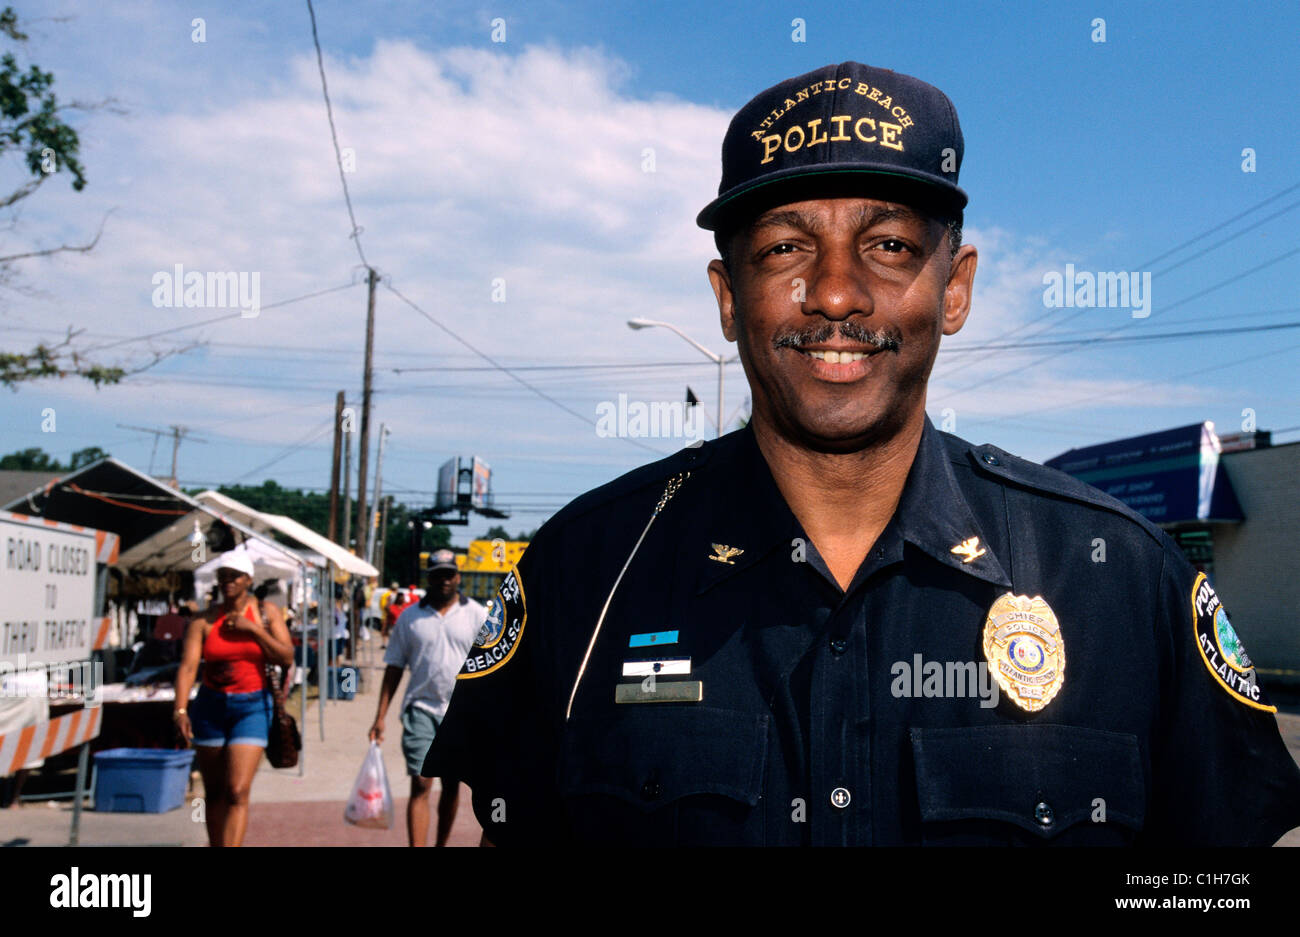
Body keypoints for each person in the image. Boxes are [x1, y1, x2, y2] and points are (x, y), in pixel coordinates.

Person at [423, 61, 1300, 846]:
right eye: (784, 248)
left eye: (888, 247)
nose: (836, 293)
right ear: (729, 300)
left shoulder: (1120, 582)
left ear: (954, 288)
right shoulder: (584, 571)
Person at [174, 550, 295, 847]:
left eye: (234, 577)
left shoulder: (266, 613)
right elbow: (188, 667)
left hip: (252, 706)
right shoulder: (203, 621)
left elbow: (286, 656)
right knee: (214, 792)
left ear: (248, 580)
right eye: (223, 576)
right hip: (210, 706)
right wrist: (179, 709)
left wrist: (253, 630)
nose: (228, 582)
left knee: (237, 790)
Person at [369, 549, 485, 846]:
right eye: (437, 575)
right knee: (420, 784)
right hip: (421, 708)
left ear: (458, 577)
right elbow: (394, 666)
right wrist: (380, 716)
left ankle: (441, 843)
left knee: (451, 786)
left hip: (460, 713)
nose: (443, 580)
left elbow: (490, 664)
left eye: (449, 574)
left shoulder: (477, 615)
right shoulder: (409, 618)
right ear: (428, 578)